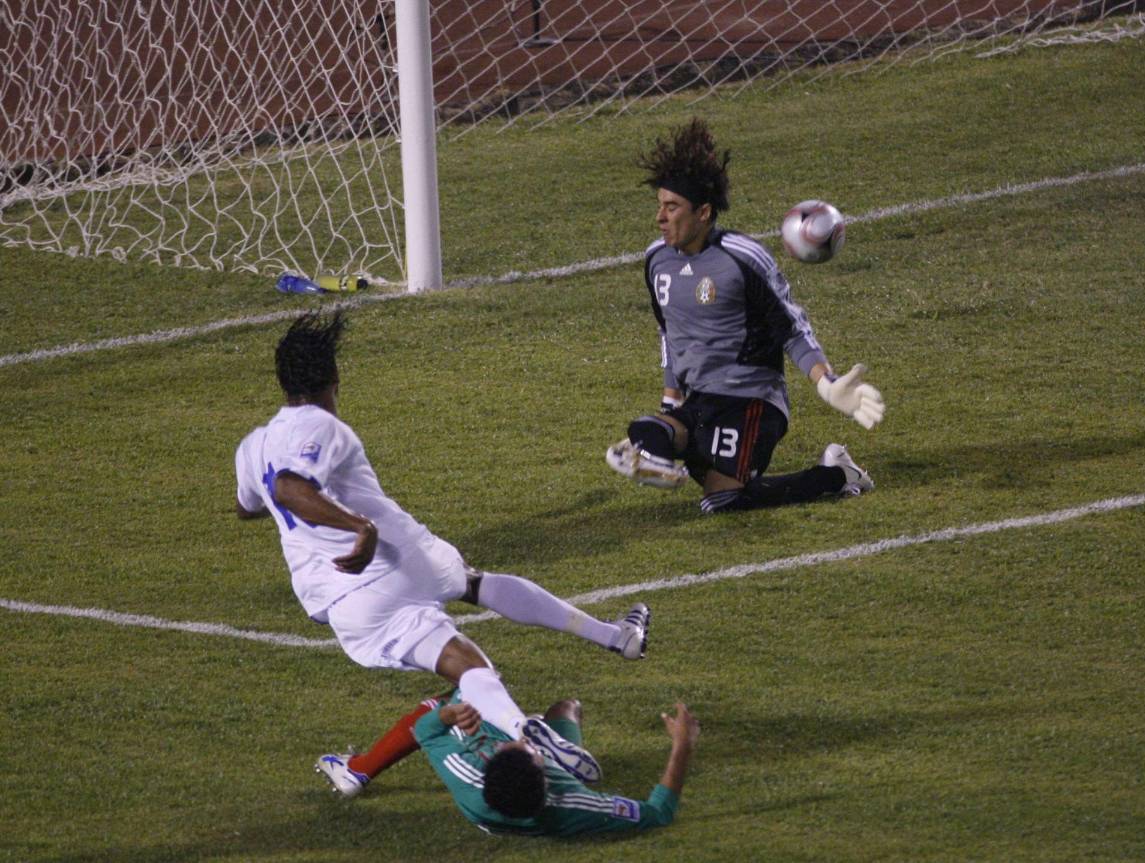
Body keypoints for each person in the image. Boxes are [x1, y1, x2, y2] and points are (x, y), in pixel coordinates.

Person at [235, 310, 650, 787]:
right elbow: (290, 487)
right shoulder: (324, 427)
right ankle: (609, 642)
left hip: (346, 598)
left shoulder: (251, 447)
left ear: (282, 382)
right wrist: (359, 527)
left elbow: (254, 501)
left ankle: (529, 728)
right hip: (390, 559)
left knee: (464, 656)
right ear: (334, 376)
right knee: (474, 590)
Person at [605, 118, 886, 514]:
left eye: (672, 207)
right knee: (645, 431)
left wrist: (828, 384)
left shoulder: (742, 258)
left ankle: (839, 475)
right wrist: (671, 398)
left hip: (751, 399)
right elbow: (668, 332)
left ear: (703, 212)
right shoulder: (657, 261)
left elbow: (791, 328)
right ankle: (656, 458)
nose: (660, 218)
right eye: (659, 206)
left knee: (722, 501)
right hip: (701, 398)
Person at [319, 689, 700, 836]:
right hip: (543, 789)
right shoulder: (572, 806)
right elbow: (657, 813)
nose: (521, 746)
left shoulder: (467, 772)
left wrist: (451, 715)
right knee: (567, 707)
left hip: (492, 808)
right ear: (547, 778)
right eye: (531, 750)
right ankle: (540, 731)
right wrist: (682, 745)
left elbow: (427, 730)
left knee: (446, 698)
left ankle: (357, 769)